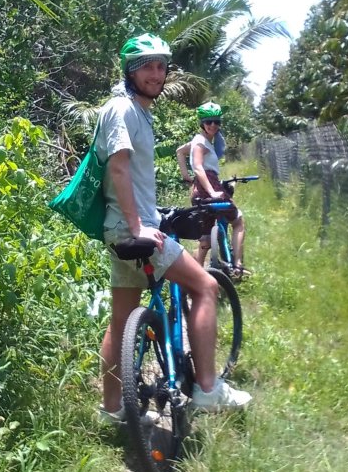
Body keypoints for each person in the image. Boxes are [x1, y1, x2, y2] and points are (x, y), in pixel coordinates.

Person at [95, 35, 251, 425]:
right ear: (129, 71)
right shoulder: (123, 109)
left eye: (161, 66)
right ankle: (207, 389)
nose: (155, 73)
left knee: (120, 320)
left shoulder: (137, 111)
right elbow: (118, 168)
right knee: (206, 286)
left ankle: (112, 411)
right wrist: (139, 226)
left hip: (122, 230)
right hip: (135, 230)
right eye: (146, 65)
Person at [176, 102, 249, 278]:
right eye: (209, 122)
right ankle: (238, 266)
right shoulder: (201, 142)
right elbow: (199, 168)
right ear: (202, 122)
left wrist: (185, 176)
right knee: (238, 221)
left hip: (197, 192)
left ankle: (194, 281)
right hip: (209, 187)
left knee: (205, 241)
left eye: (217, 122)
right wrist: (212, 191)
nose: (213, 125)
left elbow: (179, 151)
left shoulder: (197, 141)